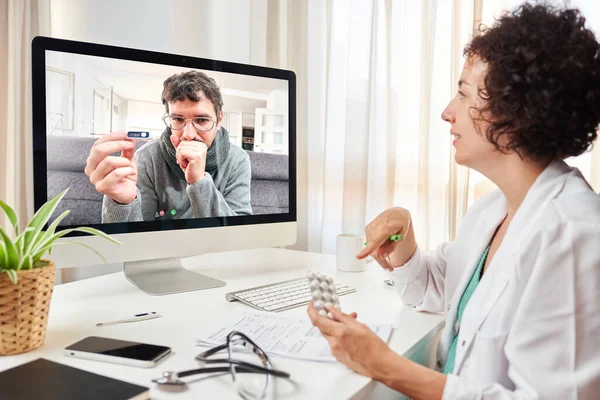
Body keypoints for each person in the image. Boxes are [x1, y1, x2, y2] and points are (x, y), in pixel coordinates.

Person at [308, 3, 600, 399]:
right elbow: (438, 292)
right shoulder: (492, 211)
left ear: (515, 114)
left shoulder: (573, 236)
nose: (448, 113)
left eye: (463, 94)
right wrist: (404, 232)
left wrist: (386, 366)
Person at [85, 70, 252, 223]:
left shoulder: (237, 159)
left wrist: (199, 181)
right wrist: (123, 202)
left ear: (219, 120)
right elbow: (130, 242)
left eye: (202, 120)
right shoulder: (147, 157)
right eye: (178, 119)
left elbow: (240, 232)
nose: (188, 134)